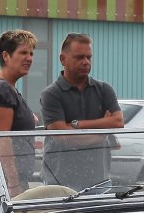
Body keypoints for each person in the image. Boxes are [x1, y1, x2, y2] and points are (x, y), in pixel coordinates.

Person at [39, 33, 122, 190]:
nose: (86, 62)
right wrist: (102, 132)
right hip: (60, 183)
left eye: (89, 57)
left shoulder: (104, 90)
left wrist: (77, 124)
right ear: (63, 59)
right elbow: (62, 136)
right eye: (79, 57)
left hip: (99, 182)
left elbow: (118, 121)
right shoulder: (51, 94)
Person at [0, 29, 39, 192]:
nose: (29, 58)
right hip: (2, 183)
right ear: (6, 56)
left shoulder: (5, 88)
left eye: (31, 53)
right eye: (23, 53)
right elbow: (2, 139)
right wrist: (13, 184)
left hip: (6, 179)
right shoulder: (1, 90)